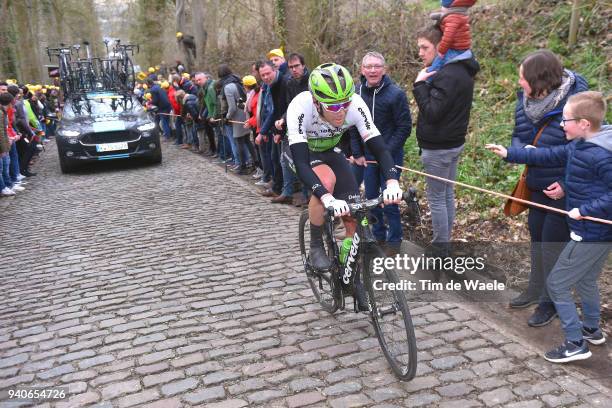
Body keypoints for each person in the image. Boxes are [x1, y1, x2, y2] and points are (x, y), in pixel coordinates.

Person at [486, 91, 611, 363]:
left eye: (566, 120)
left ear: (585, 124)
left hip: (592, 233)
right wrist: (510, 153)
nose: (562, 125)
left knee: (557, 284)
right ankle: (591, 329)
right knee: (586, 279)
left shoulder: (600, 155)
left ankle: (576, 343)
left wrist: (583, 211)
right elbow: (550, 155)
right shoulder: (580, 145)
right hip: (593, 232)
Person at [286, 63, 402, 280]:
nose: (341, 112)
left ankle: (349, 268)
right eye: (333, 107)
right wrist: (327, 198)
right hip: (303, 153)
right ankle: (316, 246)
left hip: (331, 150)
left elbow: (379, 147)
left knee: (354, 210)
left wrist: (392, 181)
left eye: (345, 104)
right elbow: (302, 164)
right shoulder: (300, 107)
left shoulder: (356, 104)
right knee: (327, 182)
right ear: (316, 102)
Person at [506, 49, 589, 328]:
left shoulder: (576, 102)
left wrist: (566, 184)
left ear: (539, 80)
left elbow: (582, 148)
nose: (519, 83)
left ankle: (550, 302)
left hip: (563, 187)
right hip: (537, 183)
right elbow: (518, 135)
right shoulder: (526, 100)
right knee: (538, 238)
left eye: (522, 78)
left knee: (553, 244)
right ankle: (535, 288)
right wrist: (522, 151)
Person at [412, 26, 479, 245]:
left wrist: (419, 84)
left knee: (437, 199)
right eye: (419, 48)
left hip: (439, 148)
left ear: (440, 47)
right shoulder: (459, 69)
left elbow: (432, 112)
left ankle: (441, 247)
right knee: (446, 194)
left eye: (425, 47)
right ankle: (445, 241)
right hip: (452, 143)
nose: (420, 53)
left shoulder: (448, 75)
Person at [350, 51, 412, 251]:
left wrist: (385, 152)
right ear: (362, 70)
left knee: (390, 200)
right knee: (370, 198)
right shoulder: (356, 93)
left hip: (391, 155)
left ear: (384, 70)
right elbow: (351, 125)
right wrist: (357, 152)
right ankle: (377, 237)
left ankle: (394, 241)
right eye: (368, 67)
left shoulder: (396, 94)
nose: (373, 70)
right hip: (367, 158)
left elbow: (404, 128)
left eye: (377, 66)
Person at [428, 0, 477, 75]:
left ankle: (429, 77)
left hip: (456, 48)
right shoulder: (457, 15)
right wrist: (435, 16)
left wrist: (441, 51)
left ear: (450, 8)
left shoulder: (453, 19)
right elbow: (445, 17)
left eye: (443, 7)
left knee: (439, 61)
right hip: (460, 45)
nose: (441, 9)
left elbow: (448, 37)